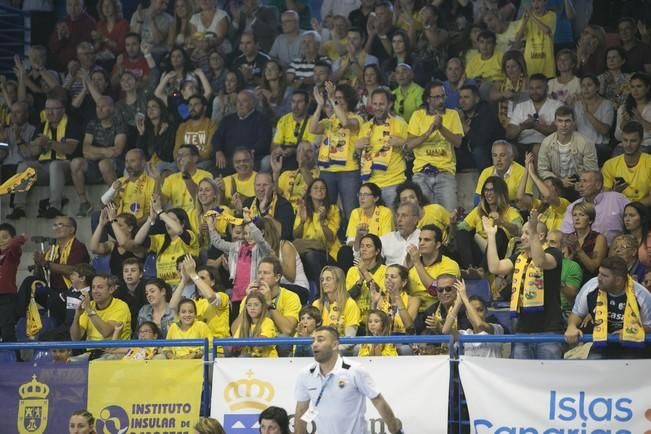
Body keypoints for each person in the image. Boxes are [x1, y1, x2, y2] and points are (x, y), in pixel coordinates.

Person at [294, 326, 403, 434]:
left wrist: (395, 431)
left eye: (320, 340)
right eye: (313, 340)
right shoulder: (305, 374)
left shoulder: (354, 370)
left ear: (335, 345)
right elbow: (301, 410)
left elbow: (378, 401)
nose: (314, 344)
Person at [486, 210, 564, 359]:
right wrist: (490, 236)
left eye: (527, 233)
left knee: (550, 378)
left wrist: (533, 230)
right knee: (521, 379)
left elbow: (540, 261)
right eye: (522, 233)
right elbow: (495, 267)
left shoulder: (554, 253)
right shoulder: (519, 258)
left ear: (540, 236)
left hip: (548, 329)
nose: (522, 237)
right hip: (522, 329)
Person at [565, 256, 651, 359]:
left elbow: (649, 326)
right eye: (599, 273)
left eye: (604, 275)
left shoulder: (642, 295)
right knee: (593, 360)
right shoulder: (591, 286)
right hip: (600, 344)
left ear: (618, 280)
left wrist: (630, 330)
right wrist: (571, 326)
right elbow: (577, 314)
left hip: (631, 346)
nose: (599, 278)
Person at [13, 96, 81, 219]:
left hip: (66, 167)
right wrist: (25, 142)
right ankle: (19, 208)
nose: (49, 112)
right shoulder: (42, 126)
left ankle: (54, 206)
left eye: (54, 109)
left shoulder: (72, 124)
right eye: (47, 109)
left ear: (63, 110)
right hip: (44, 166)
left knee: (55, 165)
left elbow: (69, 149)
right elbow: (31, 153)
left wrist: (49, 142)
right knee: (23, 166)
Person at [406, 80, 464, 211]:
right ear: (428, 99)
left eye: (443, 96)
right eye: (437, 97)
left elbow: (458, 142)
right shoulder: (417, 115)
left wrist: (441, 127)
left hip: (445, 172)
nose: (441, 100)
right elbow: (409, 145)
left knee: (450, 217)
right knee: (422, 217)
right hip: (421, 173)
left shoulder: (452, 114)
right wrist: (429, 132)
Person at [310, 81, 364, 217]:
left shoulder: (357, 118)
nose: (337, 100)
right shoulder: (331, 119)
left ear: (349, 100)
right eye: (335, 98)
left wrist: (332, 98)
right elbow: (313, 128)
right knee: (327, 210)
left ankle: (351, 237)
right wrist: (319, 105)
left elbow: (345, 123)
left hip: (349, 171)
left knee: (350, 210)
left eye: (340, 98)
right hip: (327, 170)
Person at [71, 95, 128, 217]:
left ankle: (115, 200)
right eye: (97, 107)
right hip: (94, 165)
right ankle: (84, 203)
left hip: (116, 165)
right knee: (76, 163)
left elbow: (116, 151)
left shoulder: (119, 124)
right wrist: (104, 151)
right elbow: (85, 150)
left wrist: (95, 152)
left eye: (103, 107)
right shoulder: (92, 124)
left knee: (104, 163)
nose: (99, 109)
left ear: (112, 108)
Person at [32, 215, 90, 326]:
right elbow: (40, 276)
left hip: (72, 292)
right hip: (53, 291)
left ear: (72, 229)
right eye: (55, 225)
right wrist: (38, 264)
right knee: (30, 284)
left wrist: (46, 263)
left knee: (54, 302)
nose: (57, 228)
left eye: (61, 225)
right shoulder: (52, 249)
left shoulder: (78, 247)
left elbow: (73, 270)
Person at [356, 87, 408, 206]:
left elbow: (411, 150)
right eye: (375, 104)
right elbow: (361, 157)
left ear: (389, 104)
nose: (378, 108)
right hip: (370, 185)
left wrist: (402, 142)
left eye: (381, 104)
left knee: (395, 223)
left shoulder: (400, 123)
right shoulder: (366, 127)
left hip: (394, 183)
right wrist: (358, 148)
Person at [458, 176, 523, 269]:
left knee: (498, 232)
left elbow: (518, 230)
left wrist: (502, 222)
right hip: (480, 251)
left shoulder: (510, 211)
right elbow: (461, 227)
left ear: (501, 193)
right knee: (462, 233)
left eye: (492, 190)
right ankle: (470, 269)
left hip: (499, 253)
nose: (488, 193)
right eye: (486, 190)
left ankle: (482, 270)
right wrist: (453, 224)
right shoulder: (478, 211)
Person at [537, 106, 599, 201]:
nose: (563, 125)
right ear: (555, 122)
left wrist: (581, 183)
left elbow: (591, 170)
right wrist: (559, 181)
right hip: (556, 182)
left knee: (589, 187)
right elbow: (542, 170)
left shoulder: (586, 142)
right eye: (560, 121)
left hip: (578, 181)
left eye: (567, 121)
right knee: (547, 185)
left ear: (573, 122)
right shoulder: (546, 142)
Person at [70, 274, 131, 357]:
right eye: (93, 287)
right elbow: (75, 338)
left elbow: (106, 332)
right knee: (69, 364)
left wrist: (89, 311)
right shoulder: (89, 305)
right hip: (91, 354)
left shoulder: (121, 306)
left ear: (111, 289)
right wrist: (76, 317)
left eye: (100, 287)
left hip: (115, 353)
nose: (95, 291)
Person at [560, 171, 630, 245]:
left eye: (585, 181)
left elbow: (635, 217)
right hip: (584, 252)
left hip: (616, 250)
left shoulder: (617, 199)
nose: (580, 185)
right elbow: (566, 234)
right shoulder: (572, 207)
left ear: (598, 185)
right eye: (580, 181)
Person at [293, 178, 341, 282]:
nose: (319, 190)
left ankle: (321, 290)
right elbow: (296, 236)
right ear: (309, 192)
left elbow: (330, 238)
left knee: (310, 256)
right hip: (305, 252)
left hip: (328, 254)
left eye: (322, 188)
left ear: (326, 193)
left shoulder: (333, 210)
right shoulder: (303, 208)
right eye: (315, 187)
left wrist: (323, 221)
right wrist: (302, 221)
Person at [213, 90, 273, 172]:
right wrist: (218, 151)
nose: (240, 104)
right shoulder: (227, 119)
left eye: (244, 101)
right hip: (228, 159)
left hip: (250, 159)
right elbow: (217, 137)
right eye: (238, 101)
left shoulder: (262, 120)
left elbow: (263, 143)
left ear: (253, 103)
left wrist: (245, 156)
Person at [406, 224, 460, 314]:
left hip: (437, 312)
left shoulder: (449, 265)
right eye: (420, 239)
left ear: (438, 244)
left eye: (427, 240)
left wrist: (417, 263)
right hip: (412, 310)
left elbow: (435, 291)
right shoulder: (412, 265)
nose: (421, 243)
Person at [442, 280, 504, 358]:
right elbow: (445, 330)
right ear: (467, 315)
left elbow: (479, 324)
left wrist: (465, 299)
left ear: (486, 312)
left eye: (480, 310)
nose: (476, 314)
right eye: (472, 311)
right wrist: (458, 303)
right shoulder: (466, 334)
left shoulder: (496, 329)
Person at [506, 74, 562, 158]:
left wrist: (535, 126)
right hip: (522, 143)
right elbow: (509, 134)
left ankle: (535, 171)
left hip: (546, 144)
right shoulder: (521, 106)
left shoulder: (557, 106)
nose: (534, 91)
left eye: (538, 88)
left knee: (537, 148)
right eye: (531, 88)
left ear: (546, 88)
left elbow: (557, 131)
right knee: (508, 150)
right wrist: (522, 127)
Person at [99, 148, 155, 226]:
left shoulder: (152, 182)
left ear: (142, 163)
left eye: (132, 161)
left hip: (140, 225)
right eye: (126, 161)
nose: (128, 165)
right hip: (119, 224)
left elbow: (154, 211)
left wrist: (133, 225)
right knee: (97, 216)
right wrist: (112, 190)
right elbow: (103, 205)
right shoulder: (120, 181)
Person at [457, 84, 504, 174]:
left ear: (477, 99)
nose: (462, 101)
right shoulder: (461, 114)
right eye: (460, 98)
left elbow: (481, 141)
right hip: (470, 155)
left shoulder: (487, 112)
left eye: (466, 97)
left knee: (479, 151)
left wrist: (463, 125)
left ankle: (488, 180)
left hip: (491, 153)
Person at [602, 121, 651, 206]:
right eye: (625, 140)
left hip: (644, 209)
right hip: (617, 208)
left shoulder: (649, 162)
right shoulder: (609, 165)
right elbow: (605, 198)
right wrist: (615, 192)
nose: (628, 145)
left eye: (633, 141)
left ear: (641, 141)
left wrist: (631, 207)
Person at [518, 152, 570, 231]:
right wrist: (527, 170)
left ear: (558, 191)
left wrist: (532, 174)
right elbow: (520, 197)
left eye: (546, 187)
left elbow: (549, 196)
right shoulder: (539, 205)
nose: (542, 191)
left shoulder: (564, 204)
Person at [474, 140, 532, 207]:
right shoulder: (486, 172)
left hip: (514, 211)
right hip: (490, 210)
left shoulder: (523, 172)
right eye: (495, 155)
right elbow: (477, 200)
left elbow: (527, 202)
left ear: (511, 157)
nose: (498, 159)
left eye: (502, 155)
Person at [573, 75, 615, 164]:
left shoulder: (607, 104)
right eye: (583, 86)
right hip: (581, 145)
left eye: (589, 85)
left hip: (600, 146)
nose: (586, 88)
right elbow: (574, 129)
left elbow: (604, 130)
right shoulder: (577, 105)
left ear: (597, 88)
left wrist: (587, 112)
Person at [271, 90, 317, 171]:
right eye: (293, 102)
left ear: (307, 104)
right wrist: (280, 150)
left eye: (299, 102)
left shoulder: (313, 121)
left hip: (303, 157)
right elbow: (275, 144)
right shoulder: (284, 119)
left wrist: (294, 151)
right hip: (284, 155)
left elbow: (310, 149)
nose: (295, 106)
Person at [244, 172, 296, 240]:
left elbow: (284, 234)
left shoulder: (284, 205)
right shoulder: (248, 203)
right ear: (254, 186)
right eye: (258, 185)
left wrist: (264, 213)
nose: (261, 189)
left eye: (265, 185)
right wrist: (238, 212)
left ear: (273, 186)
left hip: (276, 246)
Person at [566, 202, 609, 285]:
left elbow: (593, 268)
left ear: (590, 220)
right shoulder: (568, 238)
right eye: (574, 215)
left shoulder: (599, 238)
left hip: (590, 282)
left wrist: (578, 249)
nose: (577, 218)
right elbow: (564, 266)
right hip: (570, 281)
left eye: (581, 215)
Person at [314, 266, 361, 339]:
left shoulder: (350, 304)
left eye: (328, 279)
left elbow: (349, 340)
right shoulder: (316, 304)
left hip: (340, 348)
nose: (324, 283)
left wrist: (332, 348)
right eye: (322, 280)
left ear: (339, 281)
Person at [48, 0, 96, 71]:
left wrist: (69, 36)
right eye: (69, 5)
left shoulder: (89, 22)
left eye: (76, 5)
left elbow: (85, 46)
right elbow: (52, 47)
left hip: (78, 61)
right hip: (61, 61)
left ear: (83, 7)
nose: (72, 9)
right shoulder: (64, 21)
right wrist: (60, 37)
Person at [515, 0, 556, 78]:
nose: (536, 4)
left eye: (539, 1)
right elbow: (517, 38)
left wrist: (531, 16)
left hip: (547, 64)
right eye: (533, 1)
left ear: (545, 2)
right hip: (530, 64)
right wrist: (524, 23)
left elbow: (547, 30)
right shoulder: (527, 17)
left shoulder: (552, 15)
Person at [0, 224, 26, 347]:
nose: (0, 240)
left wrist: (19, 238)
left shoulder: (12, 254)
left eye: (4, 237)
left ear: (12, 238)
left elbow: (16, 245)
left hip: (7, 298)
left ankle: (16, 361)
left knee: (7, 332)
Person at [173, 95, 217, 167]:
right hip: (182, 161)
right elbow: (176, 151)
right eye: (190, 105)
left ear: (205, 107)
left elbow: (208, 152)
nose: (192, 108)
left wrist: (191, 160)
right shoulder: (183, 126)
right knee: (165, 169)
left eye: (196, 104)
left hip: (202, 161)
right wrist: (182, 159)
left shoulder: (211, 125)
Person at [232, 291, 278, 357]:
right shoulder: (244, 324)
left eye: (256, 305)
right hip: (250, 359)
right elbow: (235, 343)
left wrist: (244, 343)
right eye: (249, 305)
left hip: (267, 360)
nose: (252, 308)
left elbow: (262, 340)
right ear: (246, 308)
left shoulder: (267, 322)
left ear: (262, 307)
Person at [623, 202, 651, 268]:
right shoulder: (620, 238)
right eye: (625, 215)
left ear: (643, 218)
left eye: (632, 215)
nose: (627, 219)